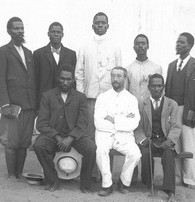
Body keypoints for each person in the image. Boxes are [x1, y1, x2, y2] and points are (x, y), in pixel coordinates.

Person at [33, 64, 96, 193]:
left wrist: (70, 138)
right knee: (39, 145)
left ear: (73, 80)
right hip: (53, 135)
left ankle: (85, 184)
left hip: (75, 135)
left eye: (68, 79)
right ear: (57, 78)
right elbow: (41, 123)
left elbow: (83, 123)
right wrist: (57, 137)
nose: (65, 82)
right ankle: (52, 180)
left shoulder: (81, 97)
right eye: (62, 79)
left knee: (91, 148)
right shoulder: (47, 96)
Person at [0, 17, 36, 181]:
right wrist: (5, 105)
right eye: (16, 28)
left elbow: (32, 81)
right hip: (12, 106)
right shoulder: (3, 52)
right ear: (9, 31)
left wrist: (35, 105)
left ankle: (19, 172)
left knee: (24, 142)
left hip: (29, 106)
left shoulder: (28, 53)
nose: (20, 31)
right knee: (12, 142)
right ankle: (11, 174)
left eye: (22, 28)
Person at [165, 32, 195, 187]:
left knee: (189, 146)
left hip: (188, 111)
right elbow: (167, 93)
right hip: (173, 111)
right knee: (174, 145)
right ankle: (176, 177)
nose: (178, 44)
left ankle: (189, 179)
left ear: (190, 46)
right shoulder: (171, 66)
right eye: (177, 42)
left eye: (182, 42)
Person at [94, 66, 141, 197]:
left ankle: (123, 181)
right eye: (113, 76)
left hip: (124, 136)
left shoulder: (131, 99)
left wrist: (112, 119)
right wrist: (122, 121)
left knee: (136, 154)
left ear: (125, 79)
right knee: (101, 150)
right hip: (105, 134)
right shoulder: (102, 97)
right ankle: (107, 184)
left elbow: (134, 123)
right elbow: (98, 122)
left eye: (119, 76)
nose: (115, 79)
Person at [75, 12, 122, 142]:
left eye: (103, 23)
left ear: (108, 26)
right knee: (89, 132)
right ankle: (90, 162)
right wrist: (81, 95)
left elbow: (119, 73)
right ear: (92, 26)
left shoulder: (115, 47)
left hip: (110, 98)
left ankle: (107, 163)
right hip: (90, 98)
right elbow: (79, 73)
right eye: (97, 23)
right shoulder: (85, 46)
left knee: (109, 132)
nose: (100, 25)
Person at [135, 73, 181, 202]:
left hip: (165, 140)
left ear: (163, 87)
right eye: (153, 86)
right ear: (148, 87)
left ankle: (170, 191)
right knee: (145, 153)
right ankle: (149, 185)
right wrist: (142, 139)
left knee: (168, 156)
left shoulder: (172, 104)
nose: (156, 89)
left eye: (159, 86)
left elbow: (176, 126)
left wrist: (169, 141)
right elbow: (137, 127)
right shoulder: (141, 104)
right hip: (149, 140)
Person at [33, 22, 77, 109]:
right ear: (48, 34)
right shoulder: (38, 54)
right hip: (44, 100)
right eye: (53, 32)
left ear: (62, 34)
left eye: (59, 32)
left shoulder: (71, 54)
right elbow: (35, 80)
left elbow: (73, 79)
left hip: (65, 99)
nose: (56, 34)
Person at [126, 34, 162, 103]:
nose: (140, 46)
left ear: (148, 46)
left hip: (151, 109)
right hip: (134, 108)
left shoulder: (156, 68)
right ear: (134, 47)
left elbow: (161, 92)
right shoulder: (128, 69)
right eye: (137, 44)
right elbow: (125, 93)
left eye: (143, 43)